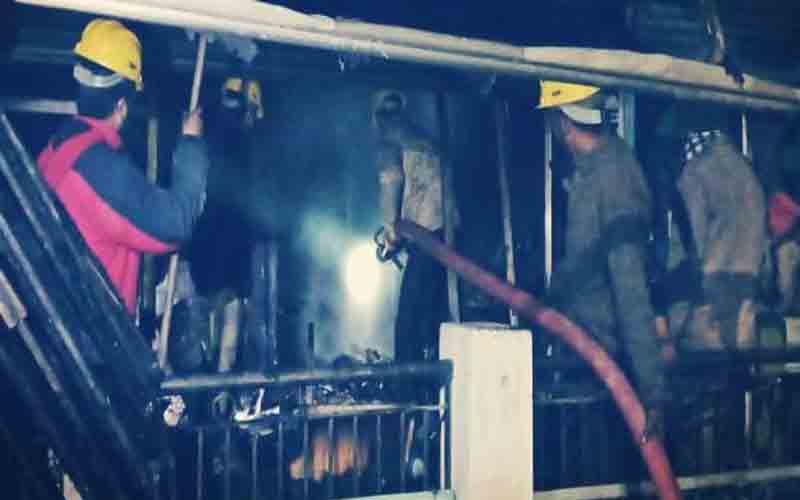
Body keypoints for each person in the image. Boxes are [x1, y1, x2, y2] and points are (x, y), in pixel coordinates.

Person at [37, 18, 209, 316]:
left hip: (66, 320)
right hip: (97, 334)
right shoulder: (97, 166)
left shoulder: (55, 150)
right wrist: (192, 143)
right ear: (122, 105)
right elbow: (174, 225)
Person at [539, 81, 669, 435]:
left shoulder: (613, 178)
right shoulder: (594, 171)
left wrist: (651, 392)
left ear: (563, 121)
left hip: (611, 370)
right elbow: (586, 267)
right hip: (592, 360)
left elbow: (631, 287)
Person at [654, 101, 766, 351]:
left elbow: (690, 249)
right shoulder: (747, 171)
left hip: (707, 310)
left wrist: (673, 325)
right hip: (745, 306)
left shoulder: (694, 174)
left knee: (709, 369)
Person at [374, 89, 452, 366]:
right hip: (447, 236)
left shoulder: (389, 145)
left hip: (425, 237)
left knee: (409, 319)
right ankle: (433, 377)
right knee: (433, 314)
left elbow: (390, 185)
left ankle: (407, 383)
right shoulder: (427, 142)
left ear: (377, 117)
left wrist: (390, 236)